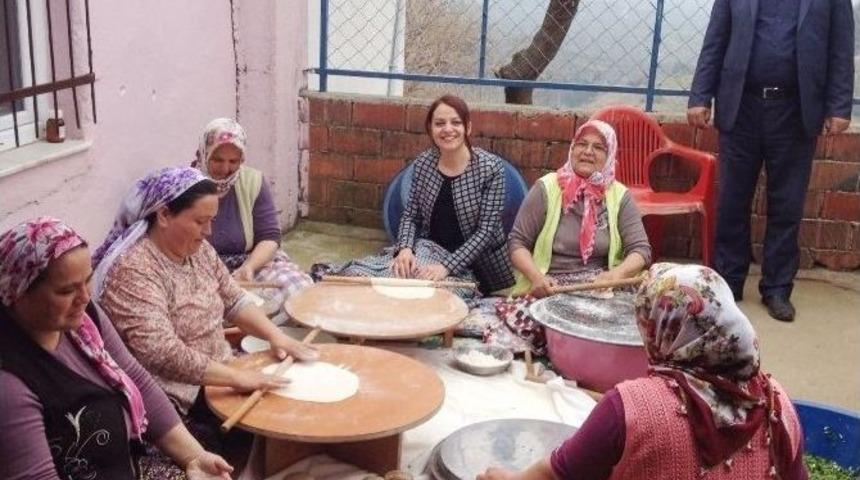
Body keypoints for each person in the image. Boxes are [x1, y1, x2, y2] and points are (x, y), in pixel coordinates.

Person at [478, 263, 809, 480]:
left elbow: (555, 475)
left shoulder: (632, 407)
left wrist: (505, 477)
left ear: (661, 328)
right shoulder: (777, 403)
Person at [91, 166, 318, 462]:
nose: (208, 231)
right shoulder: (134, 270)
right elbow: (161, 352)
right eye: (200, 221)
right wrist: (235, 377)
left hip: (218, 374)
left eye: (210, 221)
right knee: (267, 435)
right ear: (163, 215)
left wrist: (277, 337)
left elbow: (234, 299)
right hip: (175, 398)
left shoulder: (198, 250)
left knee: (295, 415)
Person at [0, 217, 233, 480]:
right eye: (66, 291)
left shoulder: (84, 322)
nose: (84, 297)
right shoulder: (10, 383)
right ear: (17, 294)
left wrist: (194, 457)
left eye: (87, 281)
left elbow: (138, 380)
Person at [687, 0, 854, 321]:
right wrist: (700, 96)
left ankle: (777, 288)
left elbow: (840, 47)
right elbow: (716, 39)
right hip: (742, 106)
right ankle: (728, 283)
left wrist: (838, 107)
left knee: (787, 204)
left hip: (796, 110)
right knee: (732, 200)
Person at [313, 94, 514, 298]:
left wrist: (447, 266)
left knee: (429, 295)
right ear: (430, 129)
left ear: (468, 128)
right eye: (439, 123)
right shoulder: (424, 164)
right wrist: (406, 249)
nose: (447, 129)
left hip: (475, 264)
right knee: (373, 276)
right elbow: (411, 216)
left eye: (456, 122)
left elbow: (486, 232)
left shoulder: (490, 168)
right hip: (428, 251)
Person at [487, 119, 651, 353]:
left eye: (598, 147)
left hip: (600, 287)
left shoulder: (619, 196)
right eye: (581, 144)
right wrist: (536, 277)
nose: (587, 152)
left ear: (610, 155)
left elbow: (641, 251)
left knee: (631, 331)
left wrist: (616, 275)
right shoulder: (547, 187)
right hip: (552, 287)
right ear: (572, 149)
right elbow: (517, 242)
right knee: (521, 333)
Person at [193, 118, 312, 318]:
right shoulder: (186, 185)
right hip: (198, 268)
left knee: (300, 291)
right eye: (218, 160)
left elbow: (270, 237)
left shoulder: (253, 181)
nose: (225, 169)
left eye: (233, 161)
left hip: (246, 261)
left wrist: (248, 268)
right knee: (205, 308)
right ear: (204, 154)